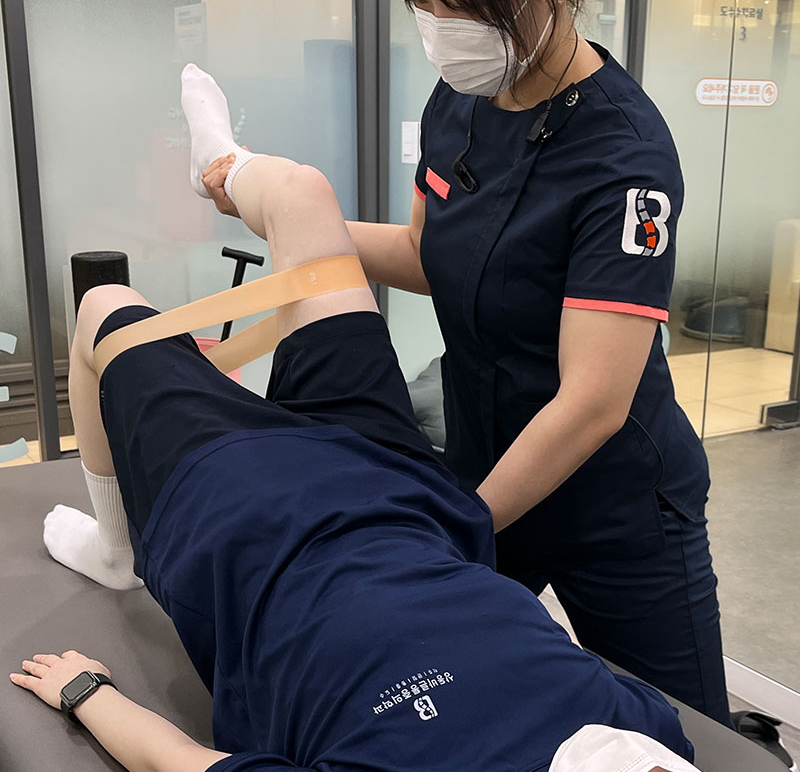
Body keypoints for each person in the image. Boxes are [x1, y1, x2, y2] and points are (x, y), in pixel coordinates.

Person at [10, 64, 694, 772]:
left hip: (244, 513)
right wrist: (443, 526)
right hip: (400, 484)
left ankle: (117, 553)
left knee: (104, 309)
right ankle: (223, 164)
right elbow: (426, 251)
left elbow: (178, 761)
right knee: (303, 194)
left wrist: (85, 692)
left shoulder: (625, 154)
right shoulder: (645, 731)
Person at [303, 0, 728, 725]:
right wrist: (290, 216)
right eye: (423, 4)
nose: (440, 26)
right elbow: (423, 254)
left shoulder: (626, 158)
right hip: (486, 467)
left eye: (462, 3)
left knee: (680, 736)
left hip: (615, 510)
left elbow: (592, 403)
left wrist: (458, 527)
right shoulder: (456, 101)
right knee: (446, 699)